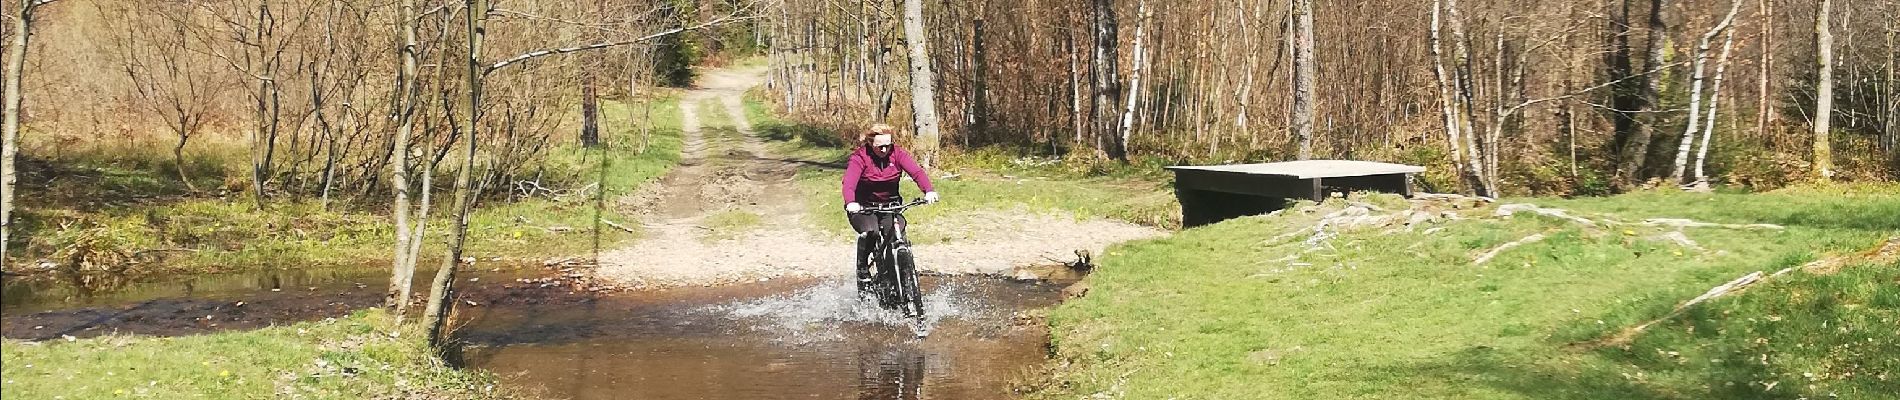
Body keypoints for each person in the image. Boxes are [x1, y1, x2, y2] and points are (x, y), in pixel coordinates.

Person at [843, 124, 938, 294]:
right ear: (871, 144)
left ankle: (899, 273)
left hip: (890, 206)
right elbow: (849, 183)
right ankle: (862, 268)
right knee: (870, 232)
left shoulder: (898, 154)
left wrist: (928, 190)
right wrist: (851, 202)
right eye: (880, 146)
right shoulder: (860, 157)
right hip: (864, 208)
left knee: (896, 232)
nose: (885, 149)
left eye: (888, 144)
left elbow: (917, 172)